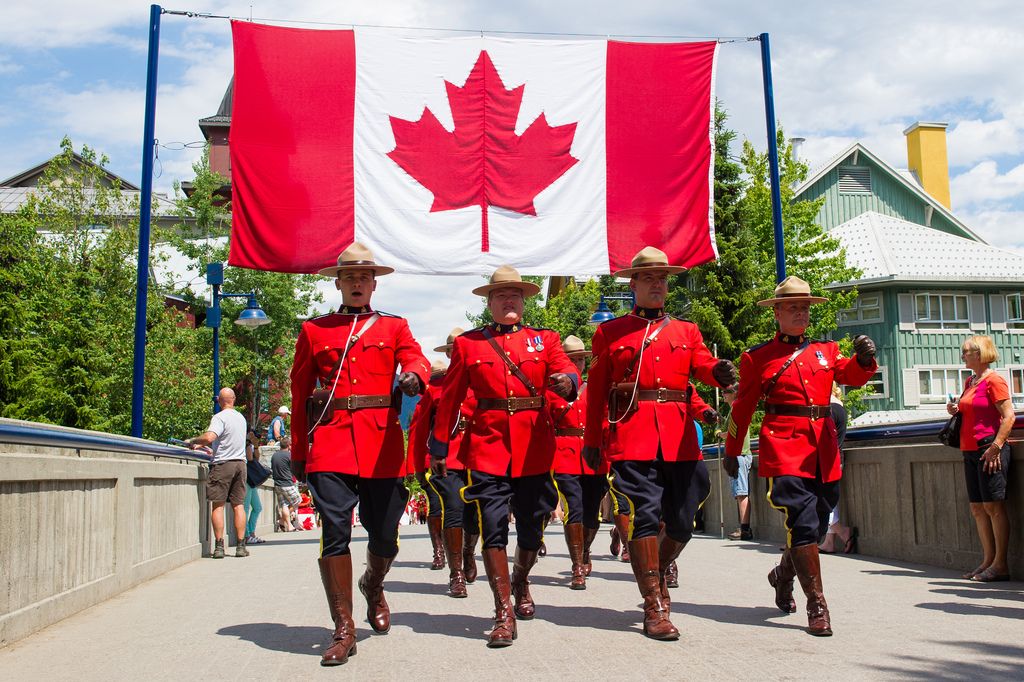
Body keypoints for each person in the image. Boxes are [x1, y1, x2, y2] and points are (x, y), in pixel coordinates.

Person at [582, 246, 737, 641]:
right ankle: (654, 605)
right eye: (649, 278)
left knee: (684, 519)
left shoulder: (687, 331)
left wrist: (718, 372)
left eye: (663, 279)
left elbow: (701, 364)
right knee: (643, 516)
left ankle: (659, 567)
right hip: (631, 436)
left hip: (680, 438)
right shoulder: (609, 332)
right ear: (632, 284)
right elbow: (597, 392)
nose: (657, 285)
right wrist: (593, 440)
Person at [290, 242, 431, 666]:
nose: (357, 283)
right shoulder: (316, 330)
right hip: (331, 441)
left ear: (374, 284)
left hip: (381, 443)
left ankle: (374, 583)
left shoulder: (394, 327)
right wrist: (300, 451)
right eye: (349, 277)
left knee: (384, 533)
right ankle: (343, 627)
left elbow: (417, 358)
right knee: (334, 529)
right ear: (338, 282)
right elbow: (299, 394)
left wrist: (413, 377)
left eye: (364, 277)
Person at [428, 265, 579, 648]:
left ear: (524, 301)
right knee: (493, 525)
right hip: (489, 448)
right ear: (489, 302)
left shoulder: (545, 340)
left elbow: (567, 371)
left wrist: (569, 381)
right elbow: (449, 400)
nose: (509, 300)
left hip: (534, 448)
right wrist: (439, 446)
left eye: (515, 294)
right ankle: (502, 611)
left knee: (531, 526)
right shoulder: (470, 345)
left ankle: (522, 579)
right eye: (501, 295)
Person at [724, 275, 877, 637]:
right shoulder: (757, 357)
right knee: (804, 524)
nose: (800, 312)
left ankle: (781, 575)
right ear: (776, 312)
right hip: (784, 447)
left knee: (818, 525)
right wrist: (732, 451)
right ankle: (817, 604)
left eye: (805, 307)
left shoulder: (826, 351)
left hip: (822, 449)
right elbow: (742, 408)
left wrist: (865, 359)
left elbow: (851, 376)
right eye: (792, 306)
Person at [947, 335, 1014, 582]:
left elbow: (1009, 416)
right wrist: (956, 409)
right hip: (969, 449)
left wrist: (996, 446)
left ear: (980, 354)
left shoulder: (994, 380)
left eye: (966, 352)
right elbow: (971, 410)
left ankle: (1001, 564)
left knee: (993, 507)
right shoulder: (971, 381)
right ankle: (987, 560)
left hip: (989, 448)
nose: (962, 356)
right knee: (977, 508)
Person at [550, 335, 609, 590]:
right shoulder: (553, 390)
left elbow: (606, 420)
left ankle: (585, 550)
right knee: (573, 508)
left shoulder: (596, 387)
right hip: (564, 455)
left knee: (591, 513)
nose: (577, 364)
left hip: (594, 455)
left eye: (580, 359)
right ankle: (577, 566)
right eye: (571, 359)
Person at [187, 388, 250, 559]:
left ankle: (219, 547)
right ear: (234, 400)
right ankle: (241, 546)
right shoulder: (241, 418)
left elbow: (209, 437)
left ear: (220, 401)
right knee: (239, 505)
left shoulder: (219, 417)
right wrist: (202, 446)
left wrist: (193, 441)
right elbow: (226, 439)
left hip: (223, 464)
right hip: (240, 464)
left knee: (218, 505)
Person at [407, 359, 449, 571]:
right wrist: (415, 468)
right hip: (431, 461)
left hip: (458, 459)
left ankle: (454, 550)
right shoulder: (425, 401)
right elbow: (416, 436)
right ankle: (439, 552)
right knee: (436, 506)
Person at [819, 384, 855, 553]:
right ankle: (829, 542)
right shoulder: (838, 406)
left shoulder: (829, 409)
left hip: (827, 459)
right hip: (835, 457)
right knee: (830, 500)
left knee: (822, 500)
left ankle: (842, 531)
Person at [722, 385, 754, 542]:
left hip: (740, 454)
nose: (723, 395)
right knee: (739, 493)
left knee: (741, 493)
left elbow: (736, 431)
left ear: (734, 393)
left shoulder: (737, 408)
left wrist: (722, 434)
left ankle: (745, 529)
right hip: (738, 454)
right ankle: (743, 527)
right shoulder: (734, 409)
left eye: (726, 392)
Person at [271, 436, 304, 532]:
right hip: (287, 483)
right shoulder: (289, 456)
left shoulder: (274, 455)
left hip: (277, 484)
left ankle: (288, 526)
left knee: (284, 505)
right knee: (298, 500)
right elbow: (295, 469)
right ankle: (281, 520)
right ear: (289, 445)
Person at [243, 429, 266, 544]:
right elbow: (249, 458)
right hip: (246, 478)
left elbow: (256, 458)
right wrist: (248, 441)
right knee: (245, 508)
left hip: (251, 479)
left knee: (257, 507)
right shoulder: (242, 442)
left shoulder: (251, 444)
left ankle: (251, 533)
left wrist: (255, 445)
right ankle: (246, 535)